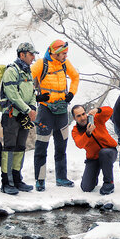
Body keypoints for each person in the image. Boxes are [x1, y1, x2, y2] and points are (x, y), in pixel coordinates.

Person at [31, 39, 80, 191]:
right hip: (45, 110)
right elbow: (26, 81)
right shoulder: (41, 64)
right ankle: (40, 180)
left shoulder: (65, 63)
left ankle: (61, 178)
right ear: (55, 52)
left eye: (66, 53)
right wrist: (36, 97)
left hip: (61, 111)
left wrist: (71, 94)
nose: (66, 55)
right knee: (41, 147)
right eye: (63, 53)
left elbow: (75, 77)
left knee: (61, 146)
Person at [0, 42, 48, 195]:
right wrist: (28, 109)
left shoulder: (27, 72)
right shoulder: (11, 71)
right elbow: (12, 94)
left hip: (25, 116)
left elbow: (33, 92)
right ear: (22, 54)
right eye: (31, 54)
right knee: (9, 148)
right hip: (12, 115)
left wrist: (33, 108)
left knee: (20, 147)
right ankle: (6, 182)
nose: (34, 57)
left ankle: (17, 178)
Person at [71, 105, 118, 195]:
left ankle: (109, 183)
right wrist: (87, 133)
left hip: (109, 152)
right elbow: (79, 144)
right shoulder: (75, 130)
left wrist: (98, 110)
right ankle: (92, 177)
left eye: (83, 114)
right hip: (93, 158)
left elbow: (110, 111)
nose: (83, 118)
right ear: (74, 118)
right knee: (86, 188)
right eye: (79, 116)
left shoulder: (95, 119)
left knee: (104, 153)